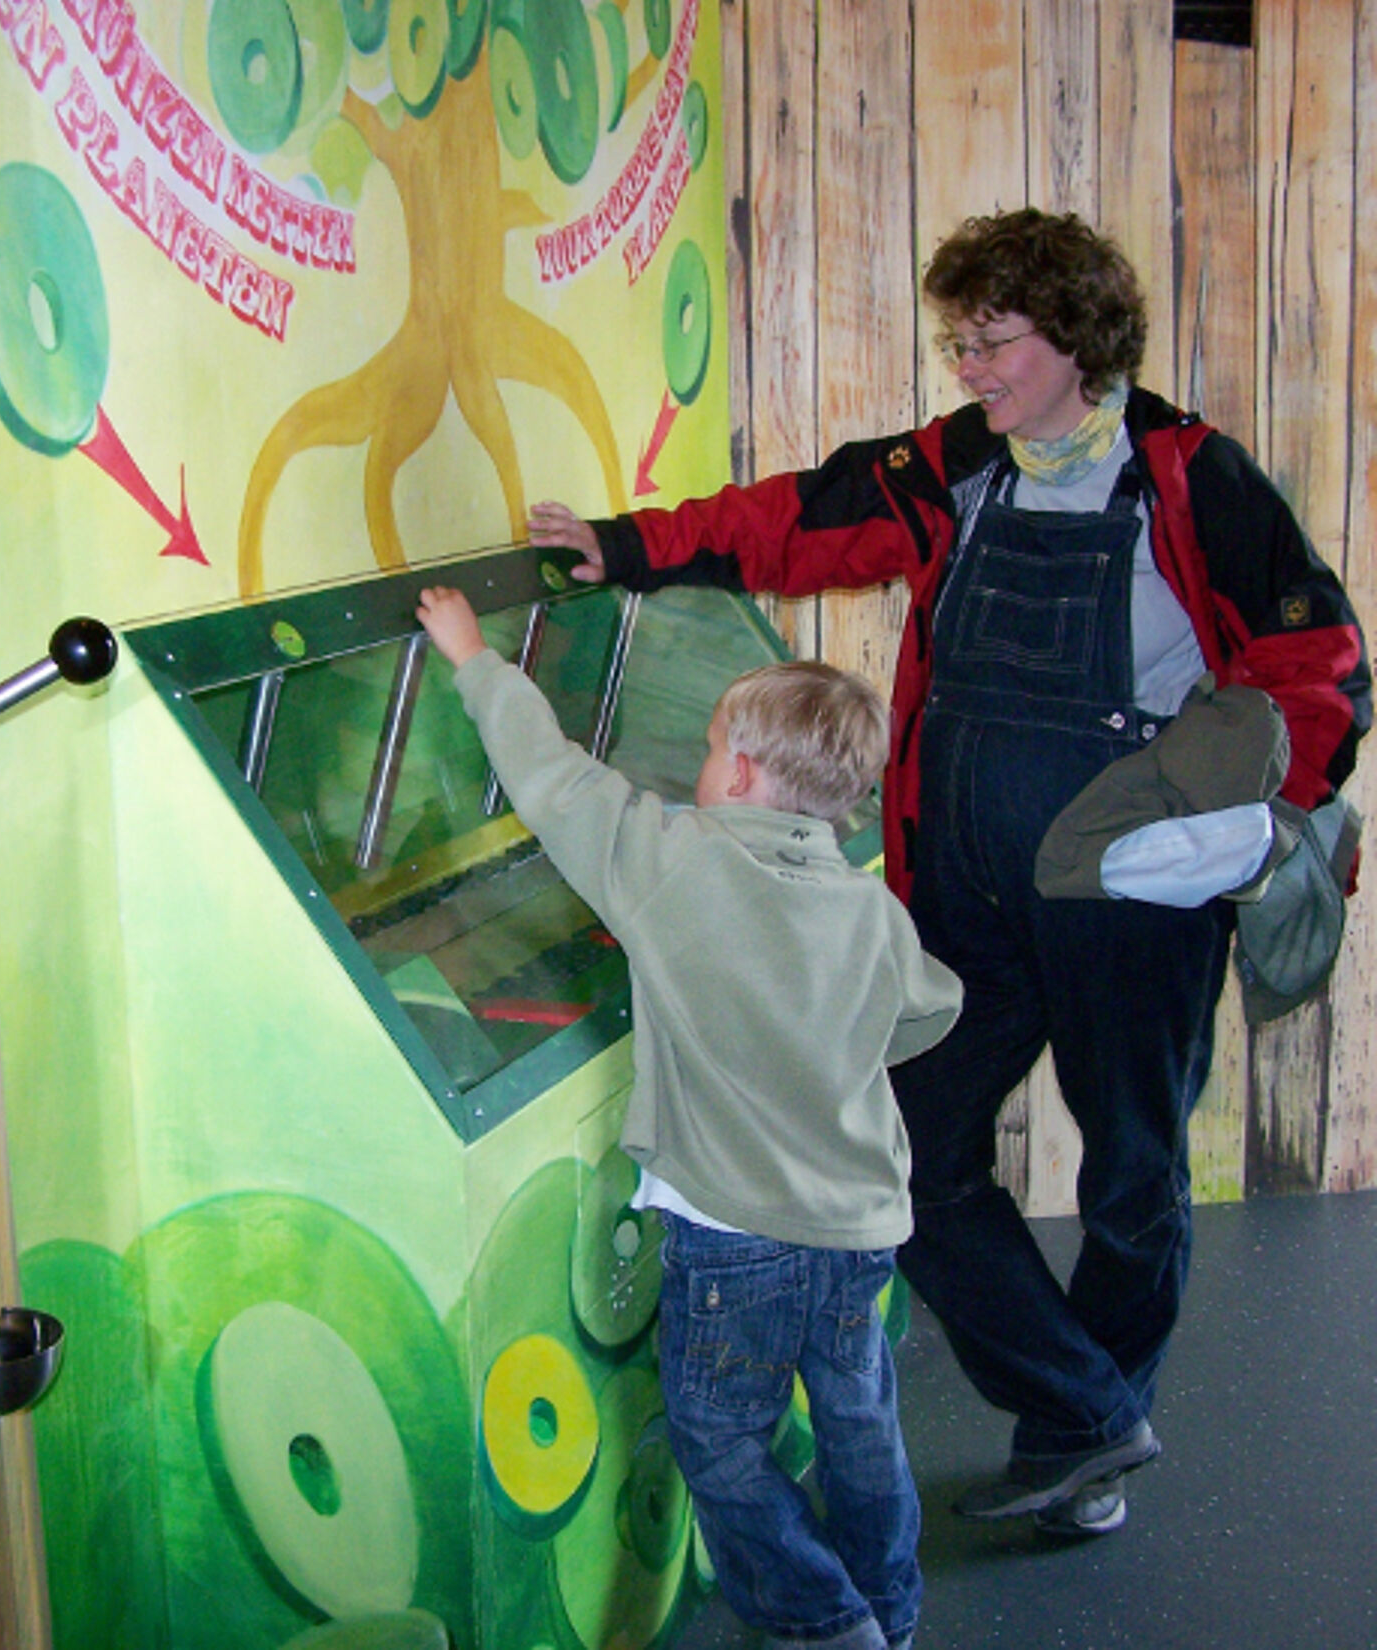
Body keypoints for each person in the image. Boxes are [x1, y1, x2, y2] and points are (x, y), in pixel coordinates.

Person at [528, 207, 1371, 1537]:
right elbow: (796, 519)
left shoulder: (1194, 477)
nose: (969, 369)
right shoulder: (951, 467)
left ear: (1077, 340)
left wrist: (1267, 817)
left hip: (1132, 904)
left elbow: (1320, 662)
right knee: (912, 1154)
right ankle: (1089, 1411)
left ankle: (1082, 1446)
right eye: (959, 344)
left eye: (994, 343)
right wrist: (626, 545)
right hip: (964, 895)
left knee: (1132, 1181)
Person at [417, 583, 963, 1650]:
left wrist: (475, 658)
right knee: (862, 1426)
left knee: (718, 1439)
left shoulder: (672, 862)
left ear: (741, 775)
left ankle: (823, 1621)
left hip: (733, 1235)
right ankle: (890, 1611)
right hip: (859, 1229)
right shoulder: (867, 903)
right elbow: (929, 1007)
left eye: (712, 748)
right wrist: (827, 1057)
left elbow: (554, 779)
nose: (703, 766)